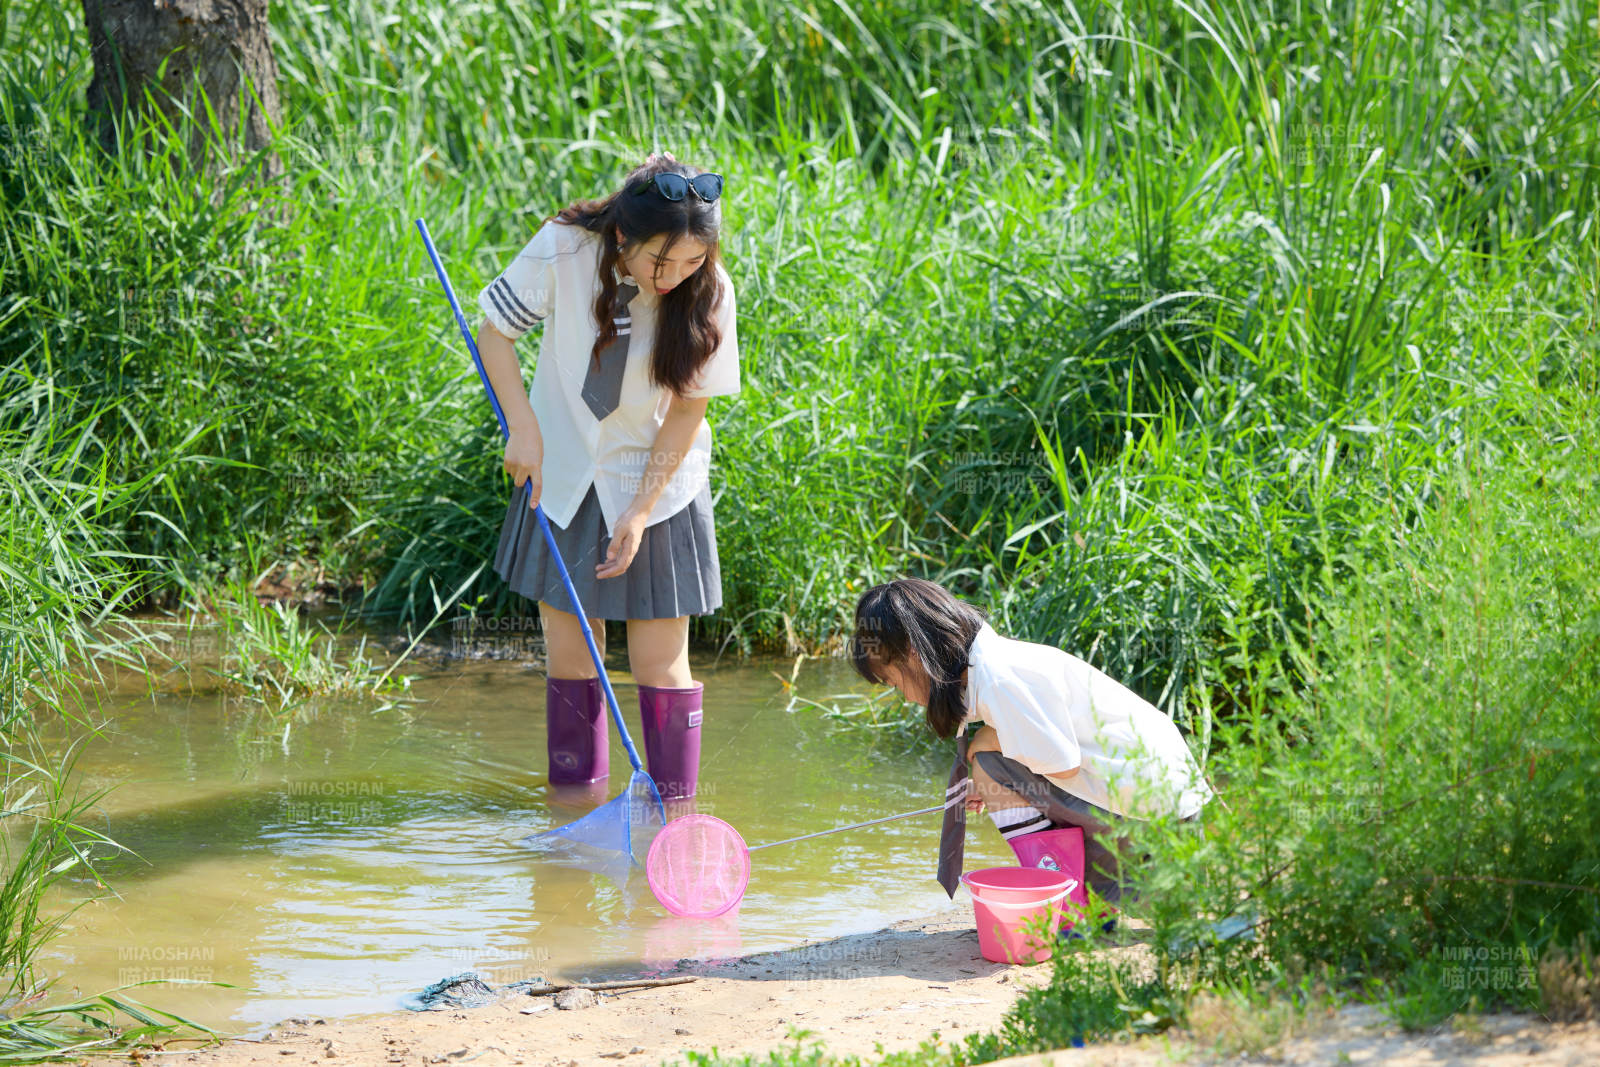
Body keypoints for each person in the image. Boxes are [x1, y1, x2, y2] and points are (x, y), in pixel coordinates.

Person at [474, 153, 740, 802]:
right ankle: (573, 815)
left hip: (657, 486)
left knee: (660, 665)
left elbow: (687, 409)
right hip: (562, 476)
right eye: (660, 262)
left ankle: (675, 821)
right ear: (623, 235)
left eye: (691, 261)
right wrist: (523, 426)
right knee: (573, 660)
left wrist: (641, 508)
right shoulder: (564, 249)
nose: (674, 277)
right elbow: (494, 333)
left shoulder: (710, 291)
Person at [850, 577, 1211, 914]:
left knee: (988, 762)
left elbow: (1063, 764)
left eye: (893, 682)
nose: (905, 696)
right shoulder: (995, 664)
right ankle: (1083, 894)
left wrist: (988, 742)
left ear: (913, 653)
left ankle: (1066, 902)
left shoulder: (1000, 677)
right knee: (990, 762)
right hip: (1156, 808)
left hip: (1155, 822)